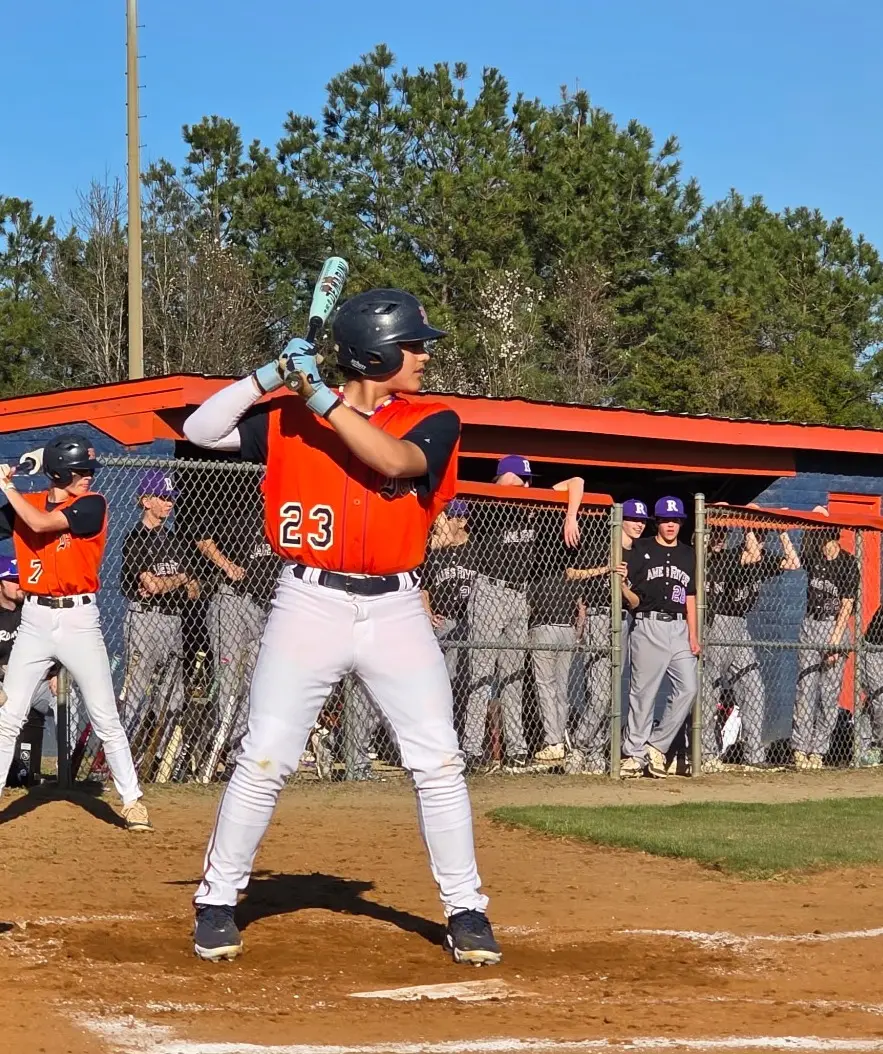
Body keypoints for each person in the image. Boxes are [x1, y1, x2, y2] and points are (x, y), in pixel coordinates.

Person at [183, 287, 501, 966]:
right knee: (265, 756)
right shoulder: (288, 418)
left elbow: (394, 462)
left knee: (438, 761)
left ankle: (466, 909)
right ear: (375, 354)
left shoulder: (433, 417)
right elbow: (200, 431)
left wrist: (321, 399)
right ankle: (217, 900)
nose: (423, 357)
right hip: (309, 602)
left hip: (396, 608)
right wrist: (270, 376)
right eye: (411, 346)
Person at [0, 436, 151, 831]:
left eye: (87, 470)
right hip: (34, 618)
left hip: (79, 620)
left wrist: (7, 486)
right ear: (57, 473)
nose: (87, 476)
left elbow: (40, 523)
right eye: (79, 471)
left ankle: (132, 801)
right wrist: (9, 479)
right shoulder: (24, 502)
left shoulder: (92, 503)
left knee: (104, 716)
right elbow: (19, 515)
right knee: (9, 714)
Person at [464, 457, 583, 771]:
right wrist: (513, 481)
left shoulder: (534, 504)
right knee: (482, 673)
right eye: (523, 479)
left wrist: (570, 517)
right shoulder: (489, 504)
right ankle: (471, 748)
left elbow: (577, 482)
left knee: (513, 677)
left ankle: (516, 749)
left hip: (520, 595)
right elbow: (503, 486)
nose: (528, 485)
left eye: (530, 480)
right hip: (490, 590)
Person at [188, 475, 281, 766]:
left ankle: (237, 752)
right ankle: (217, 747)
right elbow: (201, 538)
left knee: (257, 682)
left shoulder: (283, 519)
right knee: (230, 682)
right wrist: (227, 565)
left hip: (264, 606)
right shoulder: (239, 511)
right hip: (232, 601)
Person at [701, 520, 799, 770]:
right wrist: (749, 527)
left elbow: (793, 563)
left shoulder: (764, 558)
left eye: (764, 533)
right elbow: (753, 555)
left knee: (754, 686)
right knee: (710, 689)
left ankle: (754, 756)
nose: (761, 538)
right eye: (758, 533)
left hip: (741, 625)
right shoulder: (730, 556)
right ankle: (706, 754)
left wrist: (782, 531)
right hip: (719, 622)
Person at [120, 470, 199, 763]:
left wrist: (173, 582)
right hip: (145, 618)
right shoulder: (135, 539)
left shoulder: (175, 539)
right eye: (163, 498)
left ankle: (160, 759)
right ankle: (125, 756)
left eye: (171, 498)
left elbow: (194, 590)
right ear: (146, 501)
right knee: (137, 691)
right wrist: (180, 579)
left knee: (172, 693)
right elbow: (152, 586)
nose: (169, 504)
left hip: (173, 619)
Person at [565, 497, 649, 773]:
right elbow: (571, 573)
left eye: (642, 521)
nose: (638, 525)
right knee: (599, 692)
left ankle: (594, 751)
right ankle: (579, 746)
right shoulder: (603, 546)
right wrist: (607, 570)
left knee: (612, 694)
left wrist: (622, 586)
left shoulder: (639, 556)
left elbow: (636, 602)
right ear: (621, 521)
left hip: (623, 619)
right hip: (599, 617)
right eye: (633, 519)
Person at [620, 496, 700, 779]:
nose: (670, 525)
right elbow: (626, 583)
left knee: (689, 687)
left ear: (681, 523)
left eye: (675, 520)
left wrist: (693, 635)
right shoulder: (641, 547)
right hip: (648, 624)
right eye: (666, 520)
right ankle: (634, 755)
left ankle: (656, 746)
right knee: (643, 694)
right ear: (657, 522)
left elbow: (691, 597)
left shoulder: (688, 554)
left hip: (679, 628)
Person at [791, 516, 858, 770]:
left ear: (834, 538)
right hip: (811, 624)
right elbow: (794, 559)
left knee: (828, 695)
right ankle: (800, 749)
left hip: (834, 627)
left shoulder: (848, 563)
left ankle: (818, 751)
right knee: (805, 690)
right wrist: (783, 531)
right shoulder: (813, 557)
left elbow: (847, 605)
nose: (822, 544)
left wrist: (835, 642)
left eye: (826, 539)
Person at [421, 500, 477, 756]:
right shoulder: (435, 552)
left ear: (462, 521)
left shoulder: (476, 551)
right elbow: (423, 587)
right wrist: (428, 612)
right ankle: (437, 739)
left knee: (461, 683)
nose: (441, 526)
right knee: (438, 682)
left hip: (468, 622)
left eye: (450, 519)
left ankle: (456, 738)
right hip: (442, 622)